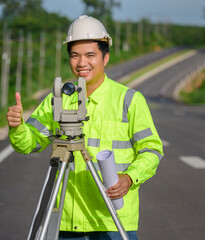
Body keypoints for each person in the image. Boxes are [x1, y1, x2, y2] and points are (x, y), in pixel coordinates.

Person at [6, 15, 163, 240]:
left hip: (112, 219)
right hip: (67, 222)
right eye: (75, 55)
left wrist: (129, 178)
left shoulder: (129, 99)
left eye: (90, 55)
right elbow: (28, 144)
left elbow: (152, 150)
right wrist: (18, 126)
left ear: (105, 57)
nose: (82, 63)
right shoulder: (57, 99)